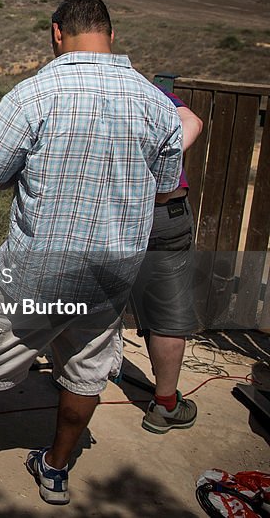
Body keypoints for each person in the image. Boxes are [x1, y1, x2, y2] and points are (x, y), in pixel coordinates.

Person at [0, 0, 182, 505]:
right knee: (86, 372)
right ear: (111, 35)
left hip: (34, 274)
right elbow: (165, 187)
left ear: (55, 33)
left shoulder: (33, 95)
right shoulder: (157, 103)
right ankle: (56, 468)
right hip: (110, 276)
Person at [131, 88, 203, 433]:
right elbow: (192, 121)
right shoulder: (152, 92)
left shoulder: (75, 94)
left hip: (107, 214)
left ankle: (76, 382)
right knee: (167, 312)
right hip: (164, 211)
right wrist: (165, 159)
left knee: (88, 299)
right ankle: (165, 405)